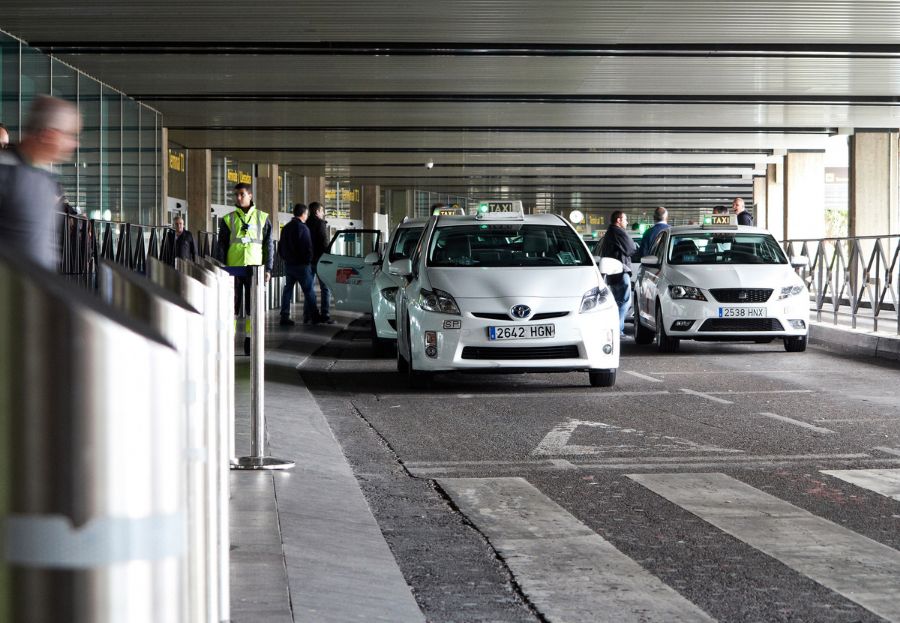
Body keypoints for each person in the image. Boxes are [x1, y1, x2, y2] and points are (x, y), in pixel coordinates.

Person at [0, 96, 80, 270]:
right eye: (69, 135)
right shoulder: (6, 172)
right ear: (49, 135)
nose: (74, 143)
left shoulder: (48, 180)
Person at [218, 182, 274, 354]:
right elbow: (221, 246)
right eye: (236, 195)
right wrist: (221, 269)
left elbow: (268, 246)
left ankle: (250, 340)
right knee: (231, 307)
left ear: (250, 195)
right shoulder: (229, 219)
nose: (238, 197)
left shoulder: (262, 218)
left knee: (252, 308)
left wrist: (268, 269)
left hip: (254, 270)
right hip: (232, 270)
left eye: (242, 194)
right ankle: (229, 339)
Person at [278, 203, 318, 326]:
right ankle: (315, 316)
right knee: (309, 291)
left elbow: (280, 246)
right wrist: (308, 261)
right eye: (306, 214)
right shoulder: (303, 228)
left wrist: (285, 258)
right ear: (304, 214)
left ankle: (284, 315)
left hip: (289, 265)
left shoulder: (286, 228)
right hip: (302, 266)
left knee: (288, 290)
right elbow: (307, 247)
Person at [598, 210, 637, 339]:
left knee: (617, 302)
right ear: (619, 220)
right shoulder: (618, 231)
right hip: (620, 271)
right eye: (625, 219)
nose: (627, 222)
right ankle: (618, 330)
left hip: (612, 272)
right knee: (624, 302)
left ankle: (615, 330)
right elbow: (631, 248)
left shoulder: (609, 233)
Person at [306, 201, 335, 324]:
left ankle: (308, 315)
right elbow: (323, 241)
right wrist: (327, 255)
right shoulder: (320, 224)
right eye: (322, 211)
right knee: (325, 287)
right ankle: (325, 314)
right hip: (320, 260)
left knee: (308, 288)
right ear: (317, 212)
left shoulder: (305, 224)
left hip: (308, 260)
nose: (323, 214)